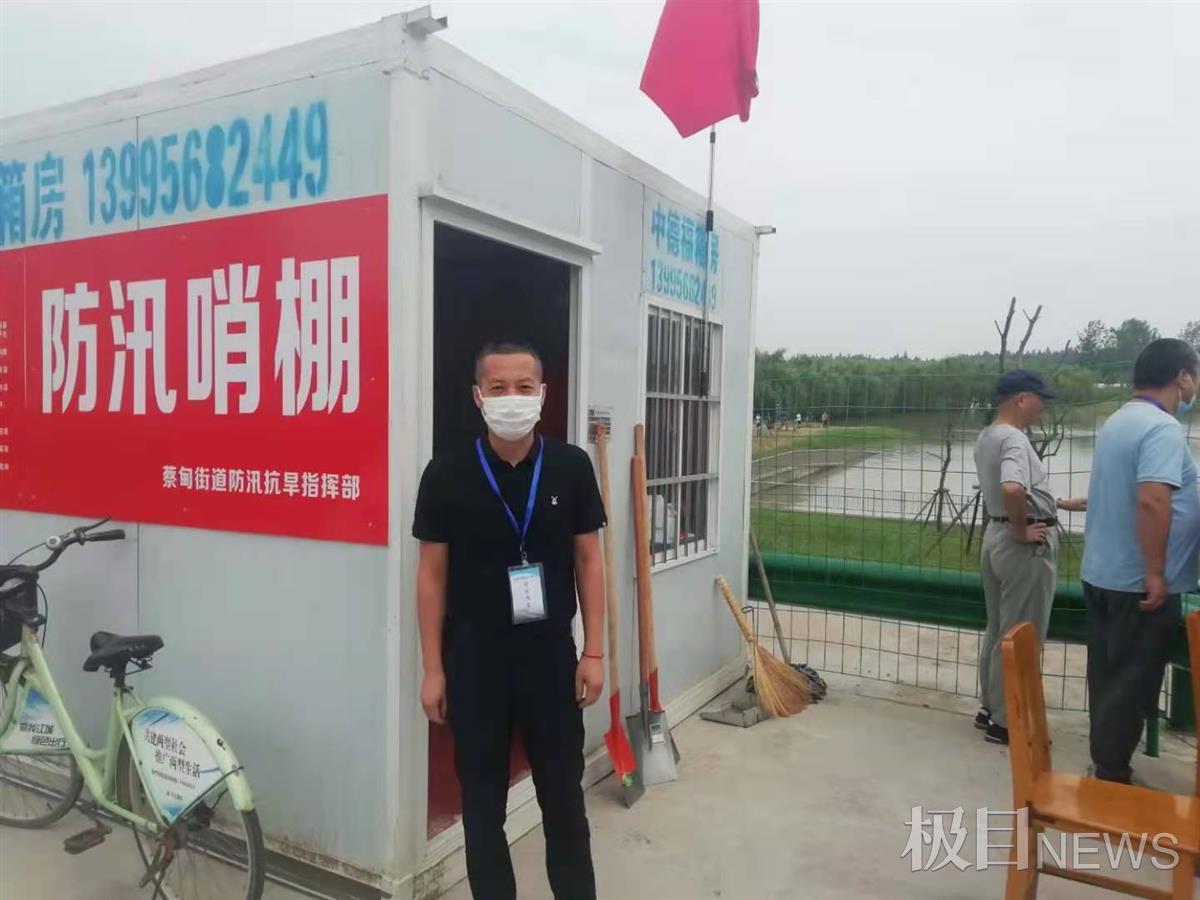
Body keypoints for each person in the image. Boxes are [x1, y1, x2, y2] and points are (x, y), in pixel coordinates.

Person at [413, 342, 606, 900]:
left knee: (564, 803)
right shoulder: (446, 473)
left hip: (550, 659)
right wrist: (433, 668)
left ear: (543, 394)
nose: (512, 398)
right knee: (482, 810)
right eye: (498, 388)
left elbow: (589, 561)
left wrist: (594, 652)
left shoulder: (571, 467)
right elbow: (431, 576)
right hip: (474, 660)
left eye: (524, 387)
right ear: (478, 397)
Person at [1081, 338, 1199, 784]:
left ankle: (1105, 765)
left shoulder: (1118, 420)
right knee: (1132, 684)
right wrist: (1154, 572)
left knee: (1109, 678)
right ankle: (1111, 778)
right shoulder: (1161, 428)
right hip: (1137, 583)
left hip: (1103, 573)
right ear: (1182, 376)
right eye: (1194, 377)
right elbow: (1152, 499)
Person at [974, 370, 1080, 746]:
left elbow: (1010, 489)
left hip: (995, 535)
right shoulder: (1015, 439)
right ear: (1021, 398)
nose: (1042, 408)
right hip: (1021, 545)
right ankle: (1008, 722)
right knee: (1022, 634)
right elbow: (1012, 487)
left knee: (998, 628)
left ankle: (990, 708)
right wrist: (1022, 530)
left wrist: (1057, 502)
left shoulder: (987, 435)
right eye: (1039, 400)